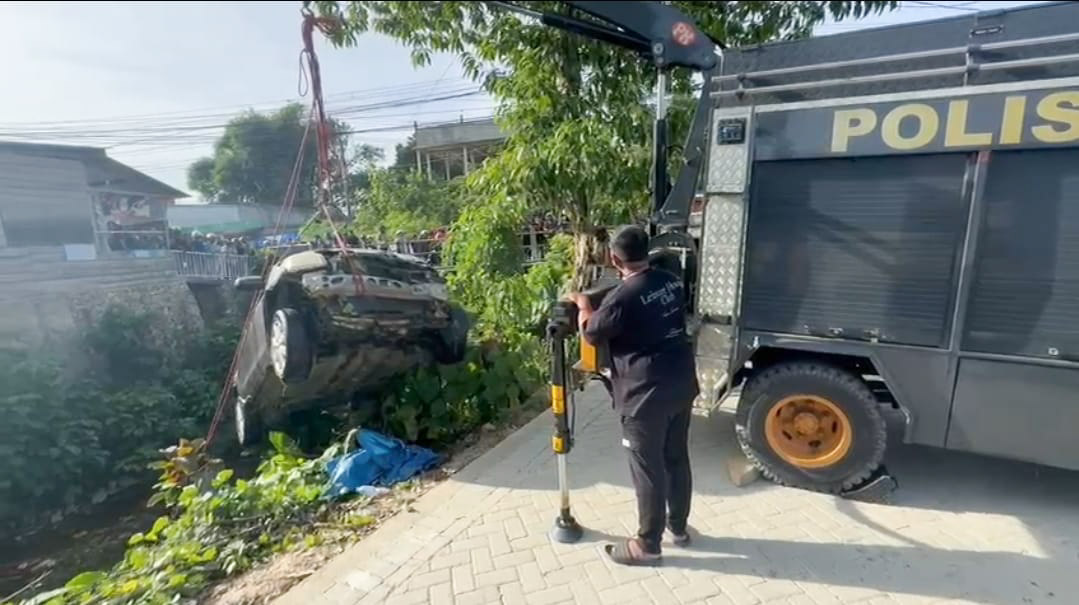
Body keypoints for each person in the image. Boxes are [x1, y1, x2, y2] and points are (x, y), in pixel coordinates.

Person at [570, 225, 699, 567]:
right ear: (648, 251)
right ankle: (678, 528)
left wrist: (583, 304)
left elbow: (592, 333)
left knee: (647, 468)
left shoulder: (623, 296)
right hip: (681, 382)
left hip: (644, 395)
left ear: (614, 260)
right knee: (676, 457)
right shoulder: (670, 281)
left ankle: (648, 545)